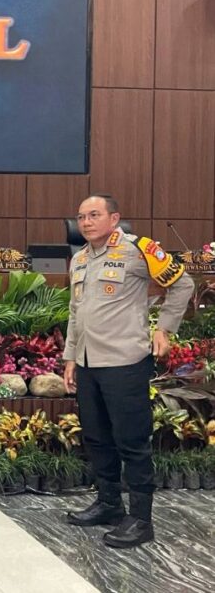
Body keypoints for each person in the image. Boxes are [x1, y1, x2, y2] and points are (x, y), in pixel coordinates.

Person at [63, 194, 194, 548]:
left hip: (125, 362)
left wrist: (164, 327)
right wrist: (71, 357)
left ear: (114, 217)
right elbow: (77, 314)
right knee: (96, 438)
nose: (86, 222)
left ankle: (141, 519)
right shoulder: (79, 260)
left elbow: (183, 284)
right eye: (81, 217)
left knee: (132, 443)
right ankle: (109, 504)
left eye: (94, 215)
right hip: (89, 365)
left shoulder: (141, 249)